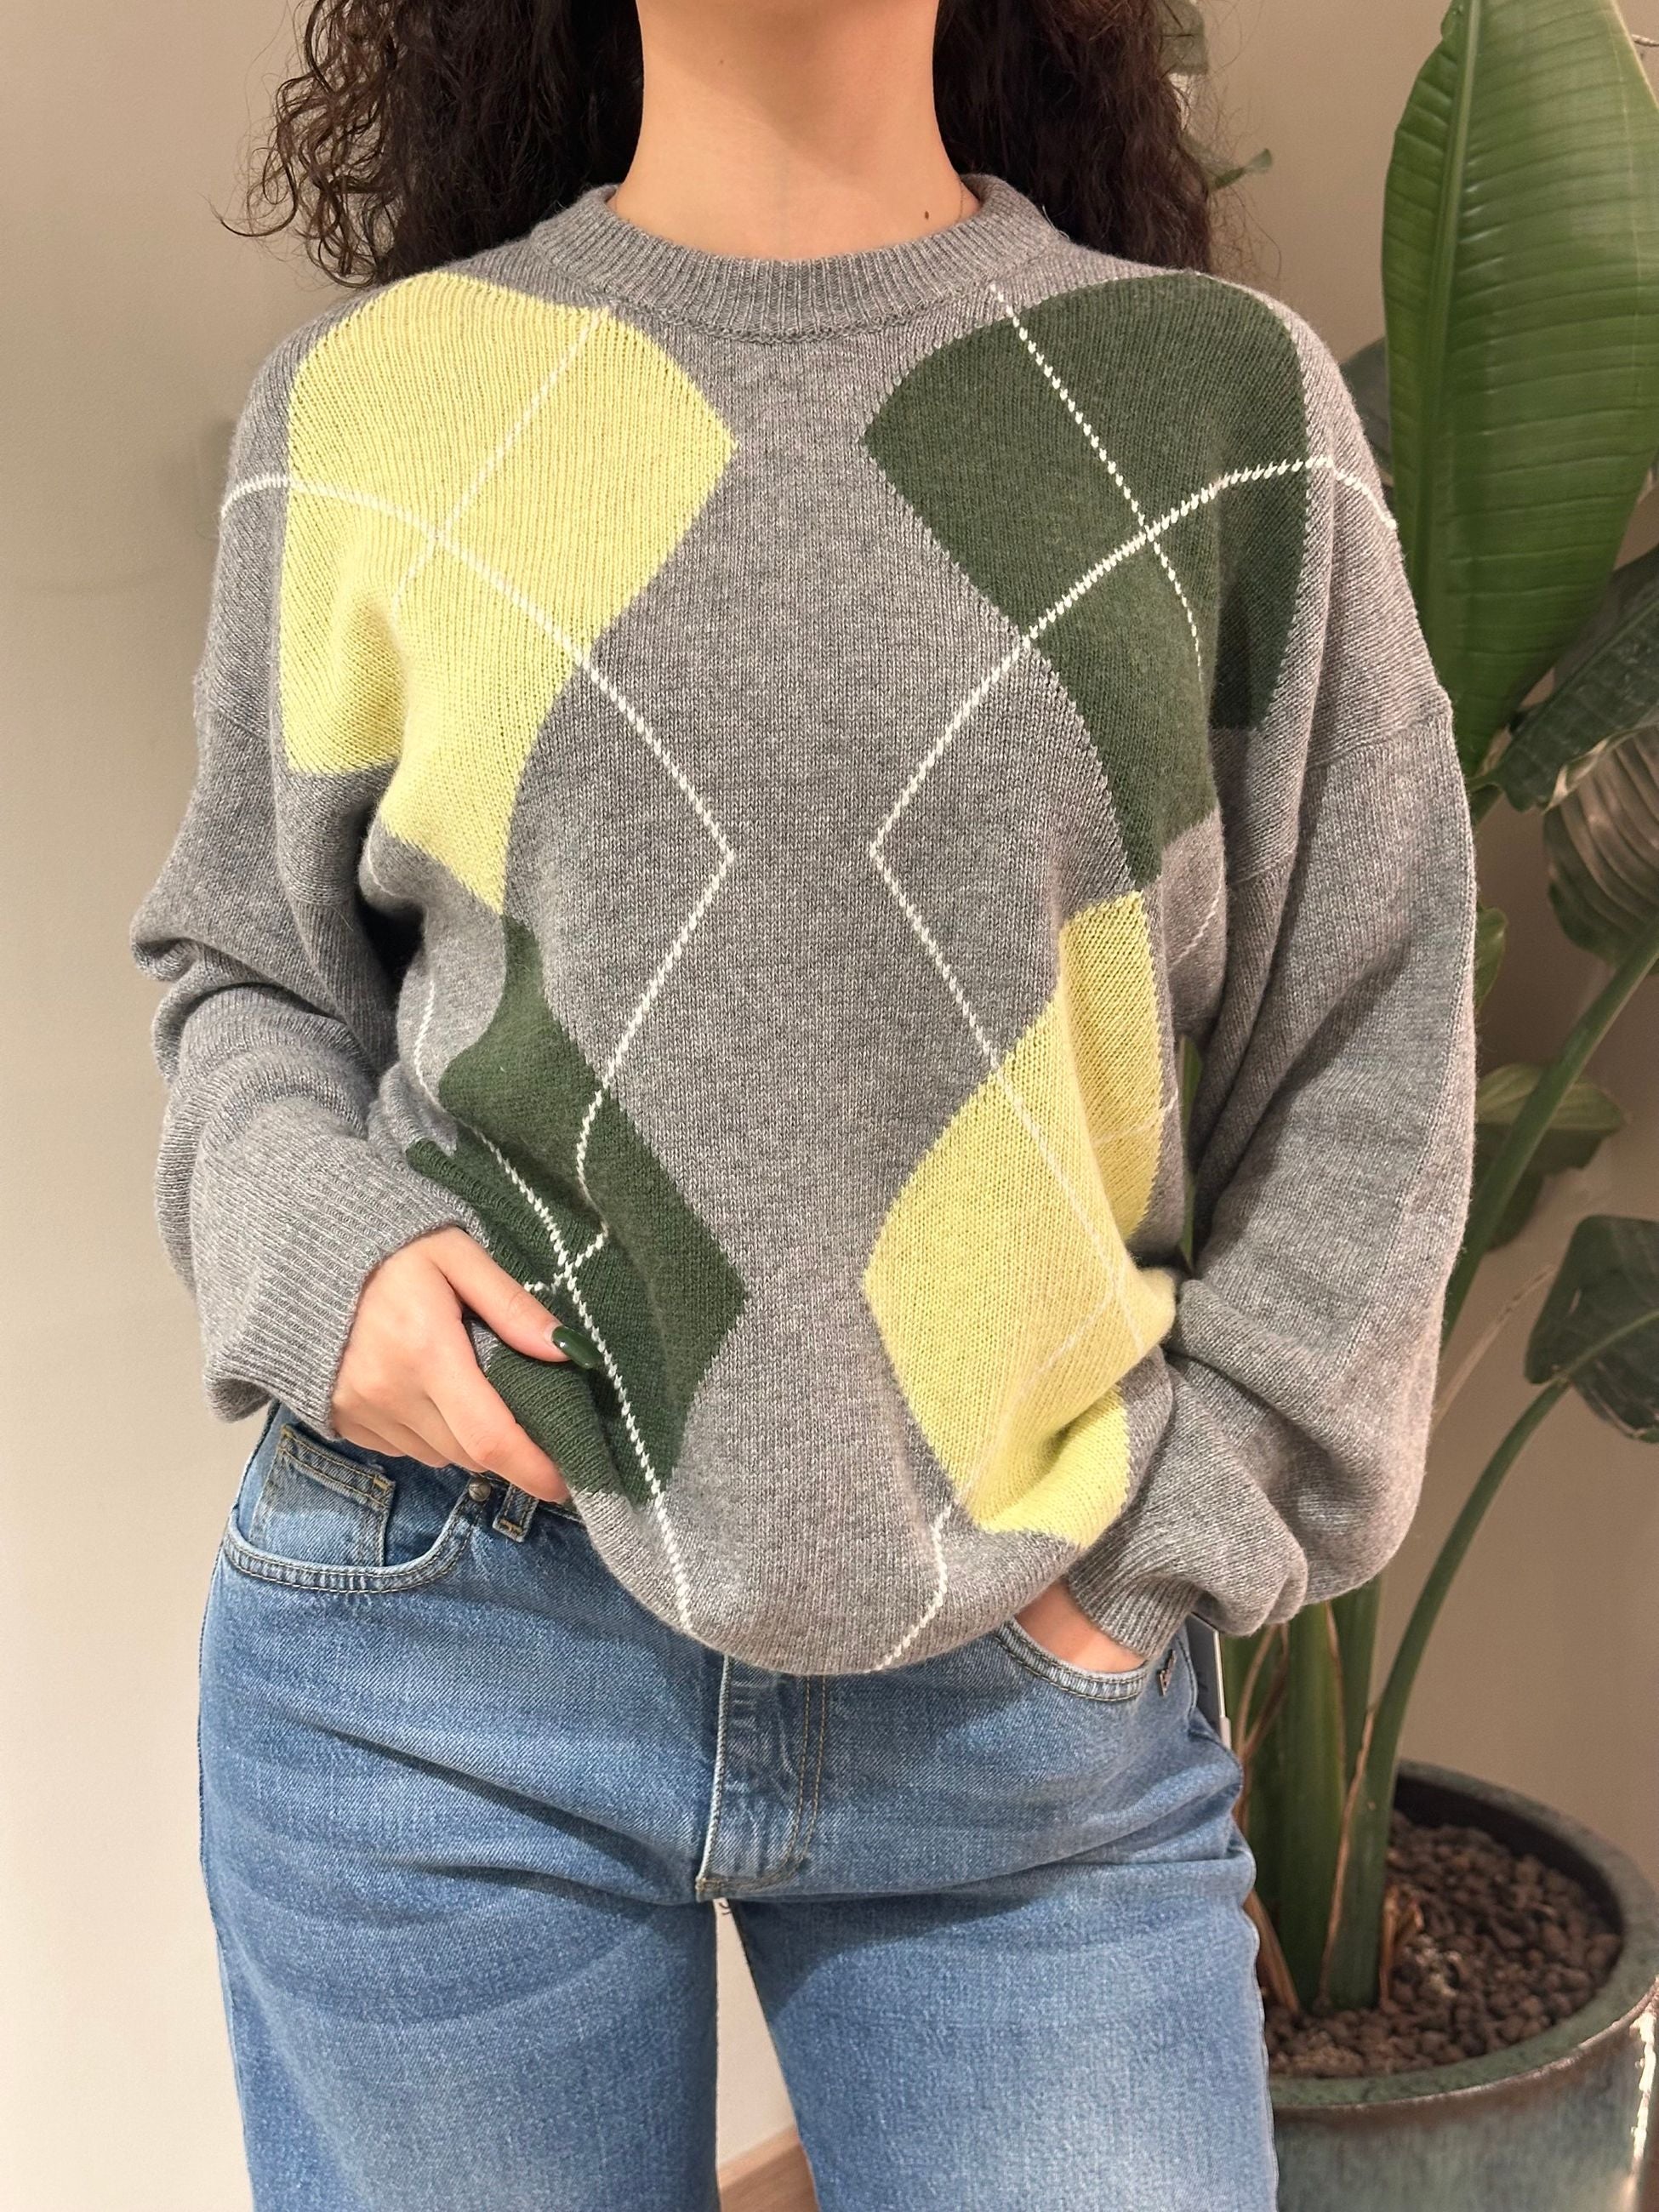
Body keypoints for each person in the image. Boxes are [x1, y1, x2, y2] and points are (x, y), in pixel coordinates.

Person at [127, 1, 1479, 2205]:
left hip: (1027, 1713)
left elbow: (1374, 1033)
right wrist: (327, 1262)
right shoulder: (370, 407)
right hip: (446, 1640)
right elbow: (250, 971)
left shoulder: (1221, 413)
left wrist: (1172, 1546)